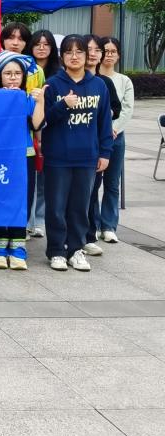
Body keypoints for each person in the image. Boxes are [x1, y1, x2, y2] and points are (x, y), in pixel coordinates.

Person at [42, 34, 113, 273]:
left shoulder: (98, 85)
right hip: (58, 157)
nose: (74, 56)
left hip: (87, 157)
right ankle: (56, 251)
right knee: (56, 206)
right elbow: (43, 121)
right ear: (62, 56)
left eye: (79, 51)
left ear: (87, 55)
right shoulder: (53, 84)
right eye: (69, 52)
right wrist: (63, 105)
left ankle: (76, 250)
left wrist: (105, 152)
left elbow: (104, 123)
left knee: (80, 207)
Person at [0, 52, 45, 270]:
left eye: (17, 73)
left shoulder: (27, 98)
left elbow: (37, 124)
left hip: (23, 156)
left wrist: (40, 101)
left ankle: (18, 248)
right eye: (7, 73)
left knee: (22, 200)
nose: (12, 77)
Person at [90, 36, 133, 247]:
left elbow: (126, 109)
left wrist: (112, 129)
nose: (108, 55)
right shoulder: (92, 78)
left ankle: (109, 226)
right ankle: (94, 224)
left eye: (112, 51)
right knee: (92, 184)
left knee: (112, 183)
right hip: (96, 136)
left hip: (116, 136)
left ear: (118, 55)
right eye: (105, 51)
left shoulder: (124, 80)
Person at [82, 34, 122, 256]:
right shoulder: (66, 81)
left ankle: (90, 234)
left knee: (91, 191)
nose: (93, 53)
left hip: (96, 143)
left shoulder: (104, 83)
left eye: (97, 50)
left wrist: (103, 116)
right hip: (72, 146)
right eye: (88, 49)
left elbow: (116, 109)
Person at [27, 29, 60, 239]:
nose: (41, 48)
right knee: (30, 178)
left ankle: (39, 220)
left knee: (45, 179)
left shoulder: (58, 74)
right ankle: (27, 221)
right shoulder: (24, 69)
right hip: (30, 129)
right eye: (37, 44)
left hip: (52, 129)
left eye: (46, 44)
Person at [0, 22, 43, 93]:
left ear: (26, 43)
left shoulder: (37, 70)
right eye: (11, 38)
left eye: (21, 39)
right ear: (3, 40)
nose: (15, 43)